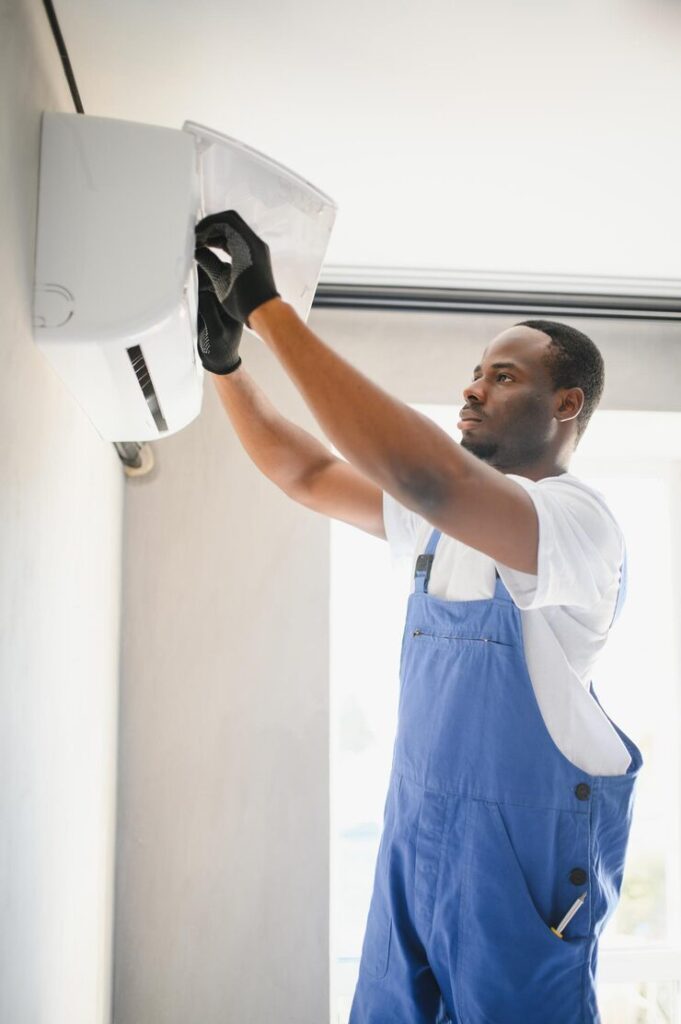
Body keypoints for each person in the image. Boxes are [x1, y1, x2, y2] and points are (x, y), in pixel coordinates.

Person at [194, 211, 644, 1024]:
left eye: (502, 377)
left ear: (566, 402)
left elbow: (430, 477)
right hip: (413, 844)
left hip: (517, 878)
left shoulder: (575, 523)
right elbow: (306, 473)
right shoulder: (440, 525)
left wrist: (268, 309)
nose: (472, 388)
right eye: (476, 373)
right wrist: (223, 363)